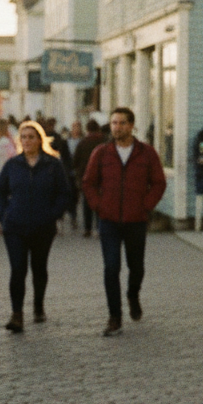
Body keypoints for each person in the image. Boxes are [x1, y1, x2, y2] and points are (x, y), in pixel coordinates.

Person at [82, 107, 166, 336]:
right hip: (109, 220)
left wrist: (146, 206)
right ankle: (114, 317)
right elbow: (88, 183)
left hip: (136, 220)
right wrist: (98, 206)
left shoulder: (146, 153)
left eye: (121, 123)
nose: (117, 128)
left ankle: (133, 294)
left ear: (131, 126)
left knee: (136, 266)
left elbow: (159, 183)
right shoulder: (101, 153)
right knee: (111, 267)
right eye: (114, 123)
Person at [0, 120, 71, 332]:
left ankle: (38, 306)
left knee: (39, 268)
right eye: (23, 137)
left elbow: (64, 193)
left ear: (39, 139)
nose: (27, 141)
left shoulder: (52, 165)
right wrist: (3, 215)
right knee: (18, 270)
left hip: (43, 227)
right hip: (15, 227)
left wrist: (53, 214)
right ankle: (16, 314)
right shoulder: (12, 165)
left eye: (31, 137)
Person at [72, 120, 103, 237]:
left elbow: (75, 160)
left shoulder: (83, 143)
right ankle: (100, 226)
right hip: (102, 177)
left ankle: (87, 228)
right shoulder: (104, 141)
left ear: (87, 129)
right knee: (101, 200)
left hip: (86, 177)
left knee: (87, 202)